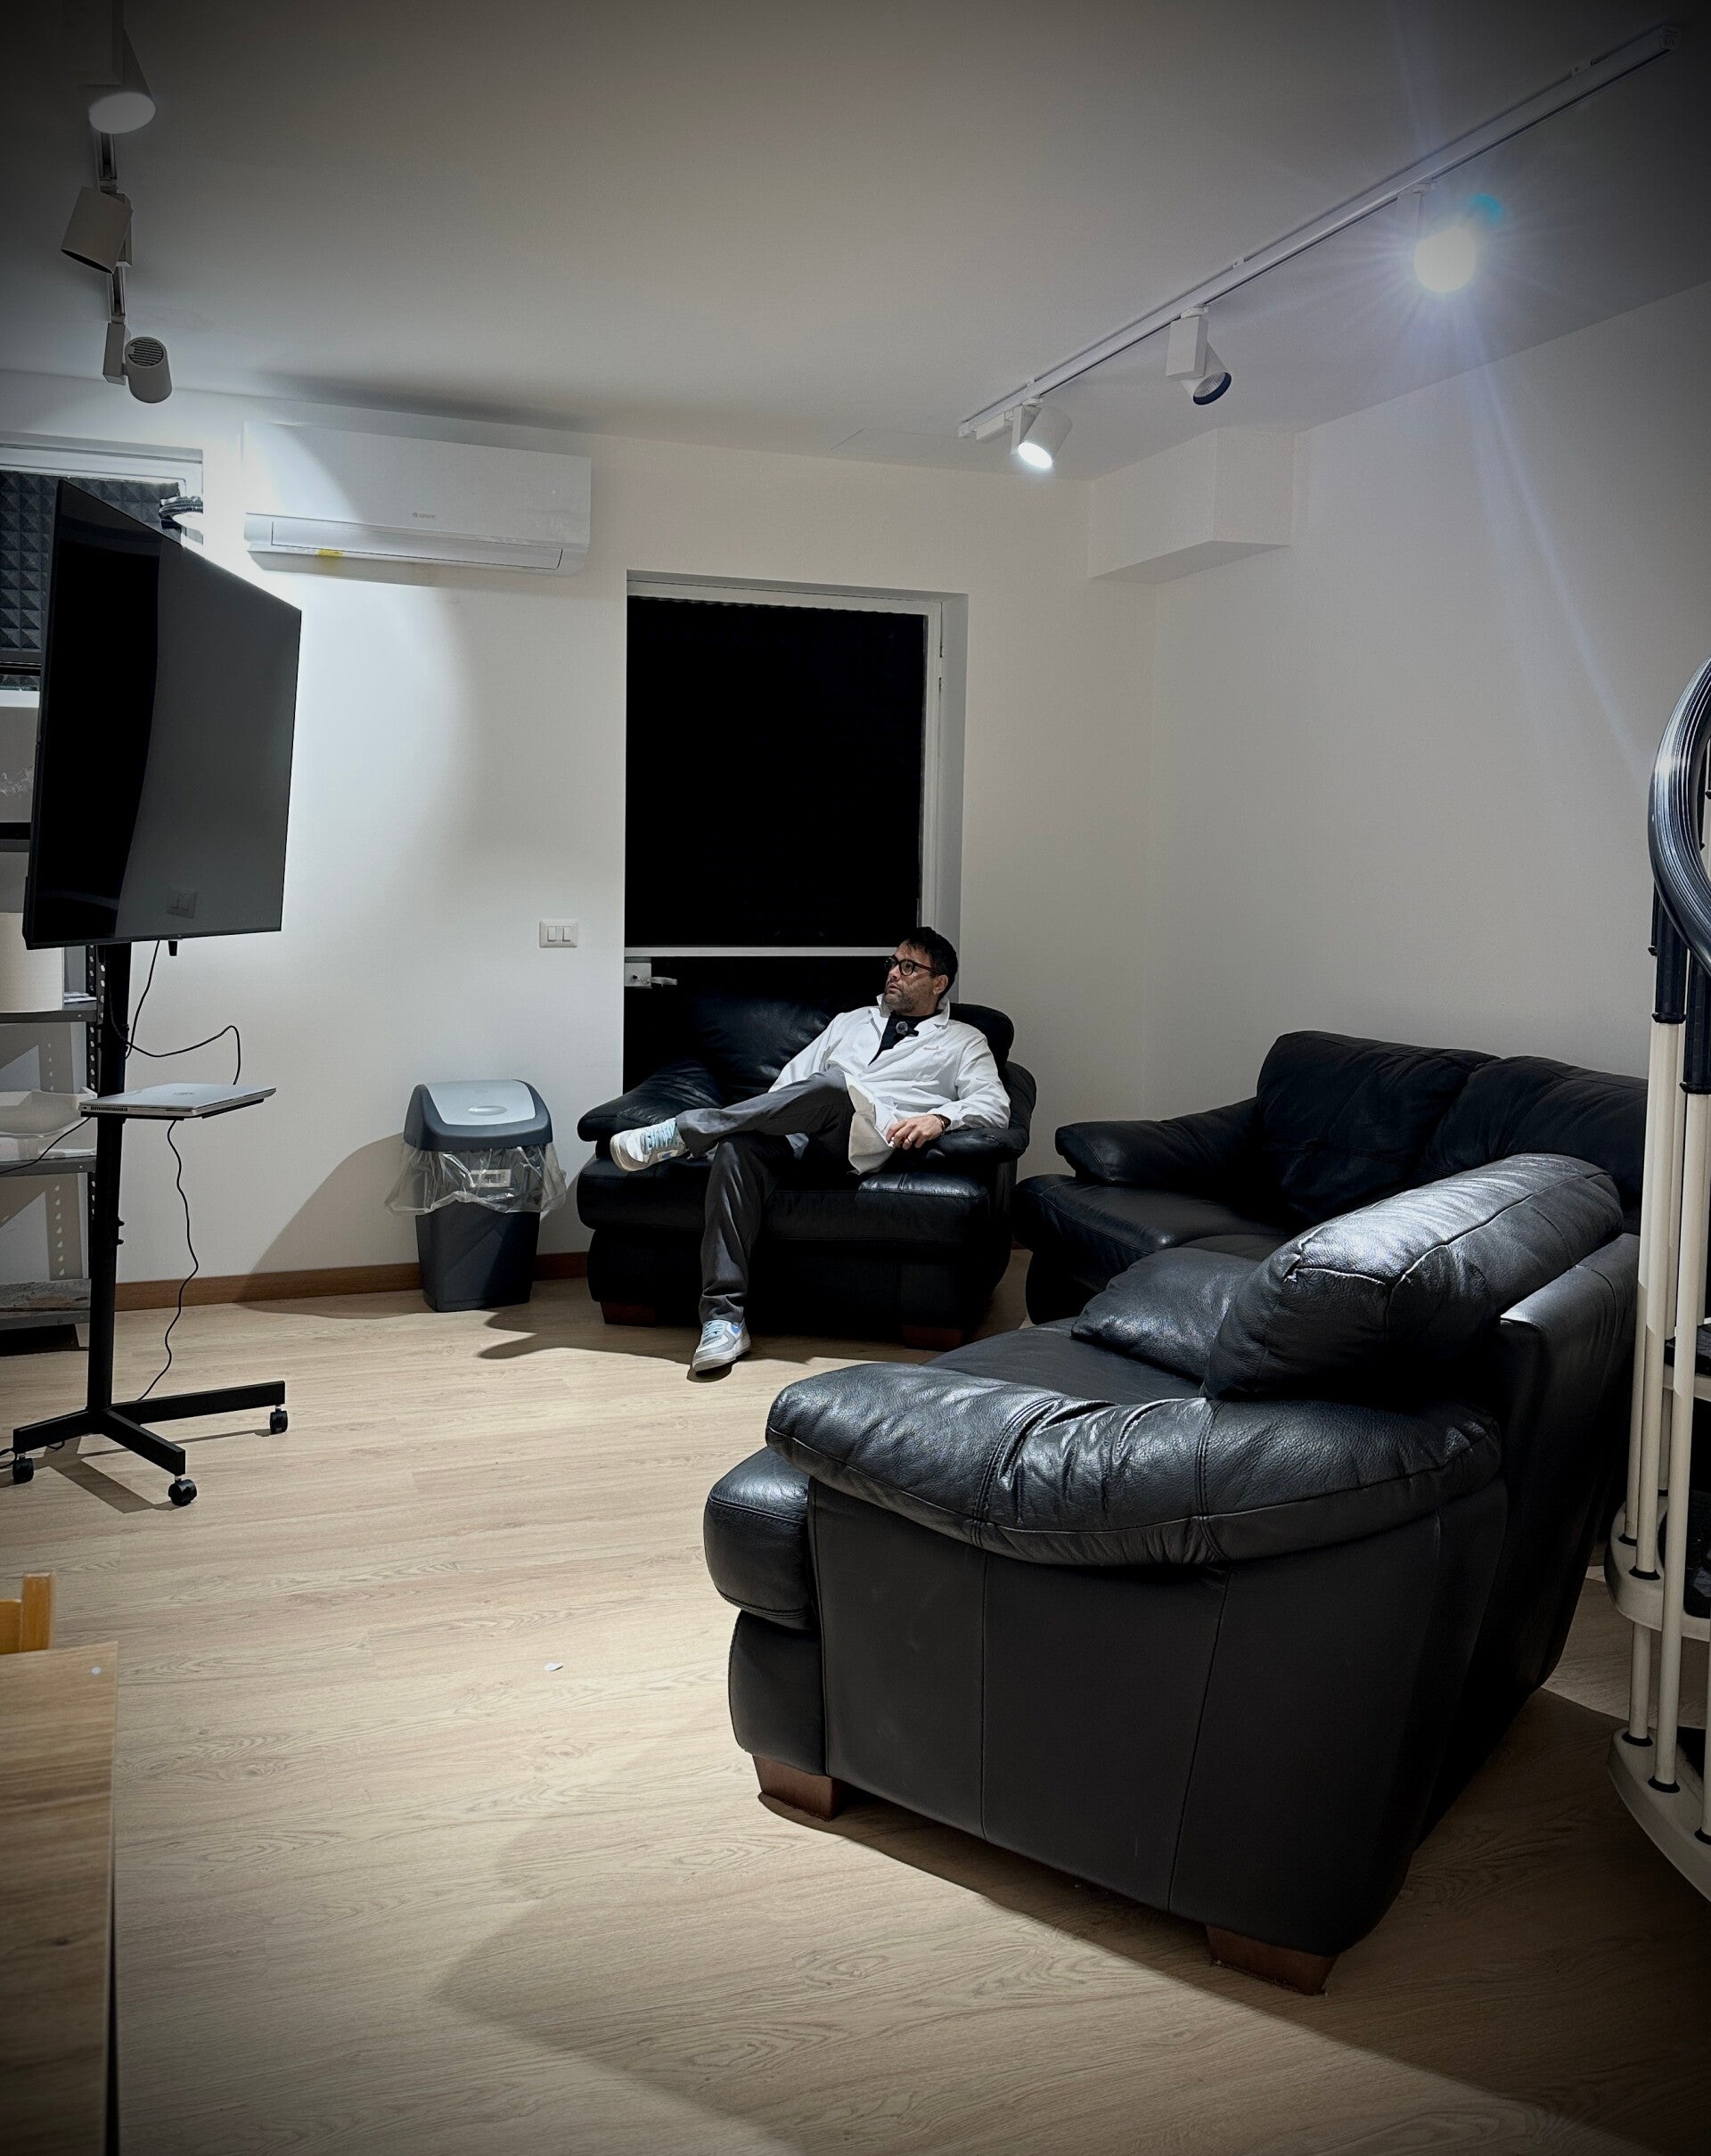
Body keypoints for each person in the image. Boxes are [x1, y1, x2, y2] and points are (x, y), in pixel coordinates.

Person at [610, 929, 1011, 1373]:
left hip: (862, 1141)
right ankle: (724, 1320)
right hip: (799, 1136)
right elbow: (792, 1081)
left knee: (835, 1086)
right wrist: (763, 1124)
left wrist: (940, 1118)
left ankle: (688, 1132)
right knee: (738, 1149)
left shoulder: (964, 1040)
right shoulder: (851, 1021)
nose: (893, 973)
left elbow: (994, 1106)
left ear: (939, 982)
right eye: (893, 963)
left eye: (908, 967)